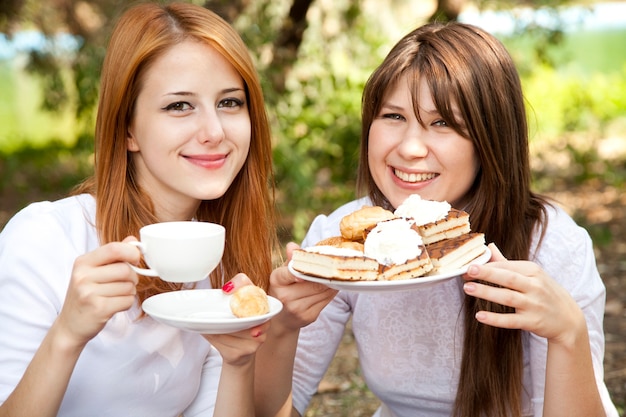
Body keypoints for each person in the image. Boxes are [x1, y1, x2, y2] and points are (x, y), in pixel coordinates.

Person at [252, 22, 619, 417]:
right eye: (393, 116)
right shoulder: (344, 245)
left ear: (490, 139)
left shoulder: (550, 246)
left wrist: (569, 333)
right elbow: (272, 411)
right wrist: (282, 329)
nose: (409, 148)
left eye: (442, 122)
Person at [0, 2, 277, 416]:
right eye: (179, 106)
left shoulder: (222, 267)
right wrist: (68, 334)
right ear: (128, 128)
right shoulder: (47, 238)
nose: (214, 132)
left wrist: (238, 363)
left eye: (230, 102)